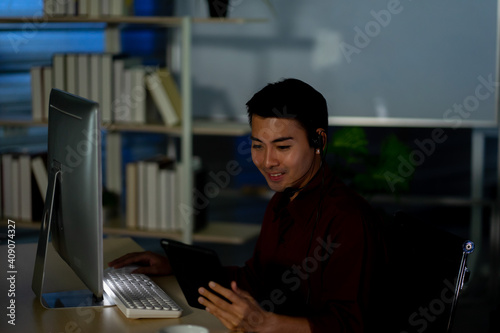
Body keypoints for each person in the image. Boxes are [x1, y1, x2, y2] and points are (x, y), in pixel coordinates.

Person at [109, 78, 387, 332]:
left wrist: (266, 323)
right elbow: (258, 279)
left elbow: (351, 325)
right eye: (258, 146)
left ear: (318, 141)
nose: (267, 162)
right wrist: (175, 267)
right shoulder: (283, 199)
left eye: (282, 147)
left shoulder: (348, 219)